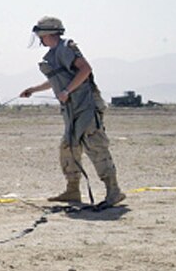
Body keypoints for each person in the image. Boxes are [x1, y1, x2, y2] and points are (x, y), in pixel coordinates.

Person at [20, 16, 125, 207]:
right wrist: (33, 90)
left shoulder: (67, 47)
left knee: (95, 146)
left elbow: (85, 69)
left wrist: (67, 91)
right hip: (72, 109)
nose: (40, 39)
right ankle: (72, 190)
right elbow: (57, 79)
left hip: (86, 107)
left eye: (41, 35)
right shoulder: (54, 54)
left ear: (48, 33)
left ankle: (114, 191)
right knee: (68, 148)